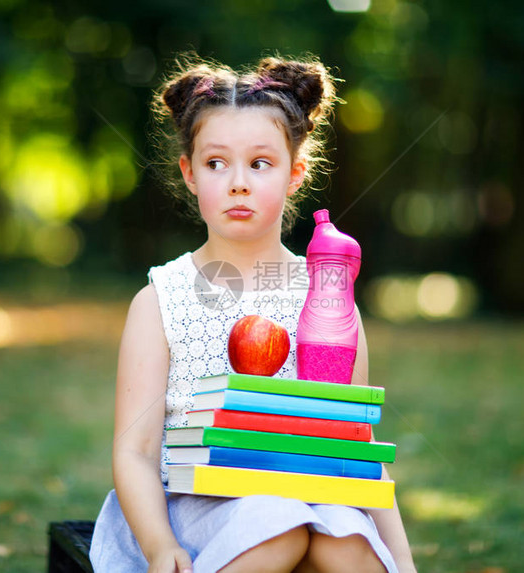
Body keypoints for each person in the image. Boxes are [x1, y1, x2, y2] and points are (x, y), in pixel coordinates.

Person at [89, 53, 418, 573]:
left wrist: (399, 558)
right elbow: (135, 452)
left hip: (313, 501)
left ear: (295, 173)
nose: (238, 182)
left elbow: (356, 444)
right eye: (216, 163)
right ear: (189, 173)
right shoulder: (161, 299)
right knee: (278, 530)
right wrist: (158, 547)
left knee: (344, 544)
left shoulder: (328, 300)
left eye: (260, 163)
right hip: (189, 510)